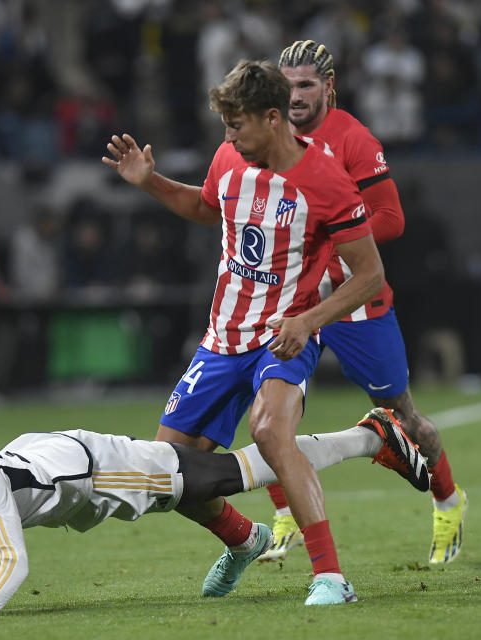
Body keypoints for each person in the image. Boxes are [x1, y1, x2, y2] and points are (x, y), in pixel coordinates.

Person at [102, 60, 385, 605]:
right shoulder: (230, 158)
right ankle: (243, 539)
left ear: (274, 118)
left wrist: (308, 321)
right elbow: (208, 209)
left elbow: (370, 274)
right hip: (221, 340)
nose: (228, 136)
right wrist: (150, 182)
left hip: (282, 336)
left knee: (269, 432)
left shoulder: (326, 180)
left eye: (237, 124)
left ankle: (330, 576)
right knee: (168, 475)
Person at [0, 407, 428, 622]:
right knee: (203, 490)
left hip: (92, 468)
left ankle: (371, 434)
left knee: (236, 472)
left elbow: (12, 560)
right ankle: (247, 542)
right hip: (49, 469)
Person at [256, 39, 466, 566]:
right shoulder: (268, 132)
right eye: (288, 85)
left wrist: (330, 237)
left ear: (329, 87)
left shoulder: (352, 138)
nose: (295, 95)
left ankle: (448, 500)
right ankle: (284, 518)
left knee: (407, 421)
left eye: (306, 84)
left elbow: (391, 219)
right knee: (263, 408)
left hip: (354, 304)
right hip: (289, 300)